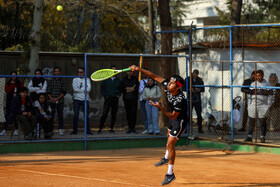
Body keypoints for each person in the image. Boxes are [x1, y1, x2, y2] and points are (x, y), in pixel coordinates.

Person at [130, 65, 188, 186]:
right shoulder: (168, 87)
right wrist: (138, 69)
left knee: (170, 144)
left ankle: (170, 174)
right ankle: (166, 158)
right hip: (173, 119)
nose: (168, 85)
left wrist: (160, 108)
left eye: (172, 84)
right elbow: (153, 75)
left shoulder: (180, 99)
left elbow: (172, 116)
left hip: (180, 121)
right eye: (169, 82)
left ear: (177, 88)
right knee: (168, 139)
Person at [244, 70, 272, 143]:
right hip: (253, 105)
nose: (258, 77)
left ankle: (262, 137)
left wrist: (267, 106)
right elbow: (249, 95)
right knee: (251, 121)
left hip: (263, 106)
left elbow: (271, 97)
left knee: (262, 122)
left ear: (262, 76)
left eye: (259, 76)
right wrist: (249, 105)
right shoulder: (253, 84)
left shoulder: (267, 85)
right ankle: (249, 136)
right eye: (257, 76)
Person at [98, 65, 121, 134]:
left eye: (115, 70)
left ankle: (111, 128)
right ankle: (100, 128)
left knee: (114, 114)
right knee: (104, 114)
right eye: (112, 70)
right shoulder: (106, 79)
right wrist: (105, 96)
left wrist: (118, 95)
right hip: (107, 99)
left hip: (115, 99)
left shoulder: (118, 80)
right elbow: (102, 88)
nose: (114, 72)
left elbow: (120, 89)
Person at [0, 71, 23, 136]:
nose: (13, 76)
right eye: (12, 75)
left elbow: (21, 90)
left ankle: (15, 130)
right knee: (8, 115)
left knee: (16, 115)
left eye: (15, 75)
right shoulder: (8, 83)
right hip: (9, 101)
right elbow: (7, 91)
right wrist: (12, 85)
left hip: (17, 101)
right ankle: (4, 130)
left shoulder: (19, 83)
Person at [71, 67, 93, 135]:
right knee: (76, 115)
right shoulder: (75, 79)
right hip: (77, 99)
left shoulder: (87, 79)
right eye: (78, 72)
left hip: (85, 99)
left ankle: (88, 131)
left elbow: (89, 89)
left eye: (81, 72)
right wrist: (84, 88)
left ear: (84, 73)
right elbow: (75, 89)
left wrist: (80, 89)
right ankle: (74, 131)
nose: (79, 73)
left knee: (86, 115)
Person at [47, 67, 67, 136]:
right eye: (55, 71)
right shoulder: (51, 81)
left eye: (58, 71)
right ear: (54, 73)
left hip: (60, 101)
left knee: (60, 115)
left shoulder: (62, 81)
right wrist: (52, 99)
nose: (57, 73)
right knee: (51, 115)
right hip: (51, 101)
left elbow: (64, 92)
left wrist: (57, 99)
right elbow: (48, 91)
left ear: (60, 72)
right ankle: (51, 130)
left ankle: (60, 129)